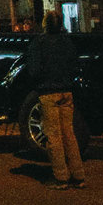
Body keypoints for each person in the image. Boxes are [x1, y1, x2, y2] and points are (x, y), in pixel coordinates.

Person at [27, 10, 85, 189]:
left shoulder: (39, 43)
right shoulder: (67, 42)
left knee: (53, 135)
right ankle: (78, 174)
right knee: (69, 133)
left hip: (48, 92)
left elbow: (34, 70)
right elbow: (75, 66)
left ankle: (61, 177)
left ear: (45, 24)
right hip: (66, 92)